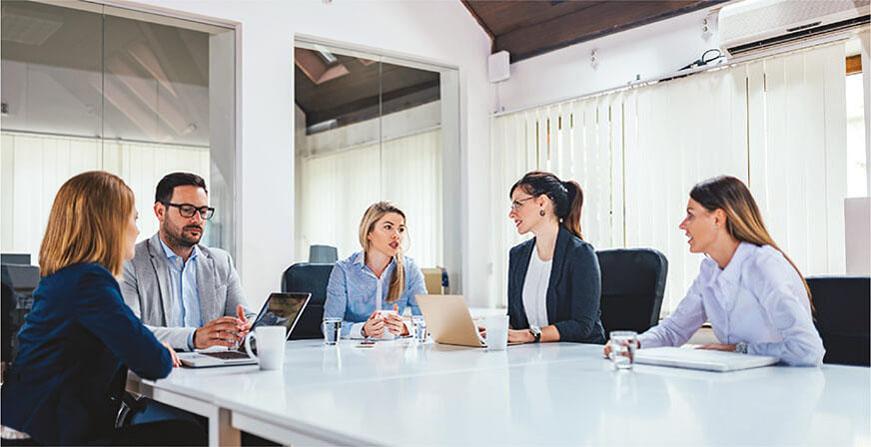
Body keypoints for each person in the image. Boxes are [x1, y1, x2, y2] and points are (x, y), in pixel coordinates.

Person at [0, 171, 200, 445]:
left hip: (26, 426)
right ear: (110, 224)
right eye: (134, 218)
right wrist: (157, 349)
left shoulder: (63, 277)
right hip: (47, 437)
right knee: (188, 433)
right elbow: (154, 363)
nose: (137, 230)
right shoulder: (91, 282)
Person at [604, 176, 825, 366]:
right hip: (737, 388)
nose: (683, 225)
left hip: (783, 390)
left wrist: (738, 350)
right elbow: (673, 331)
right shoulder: (710, 271)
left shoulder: (762, 266)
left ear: (718, 218)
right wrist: (634, 344)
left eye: (691, 214)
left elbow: (808, 350)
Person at [121, 172, 255, 352]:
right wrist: (194, 337)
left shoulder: (221, 261)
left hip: (215, 368)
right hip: (162, 368)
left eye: (203, 211)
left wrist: (247, 327)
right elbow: (130, 331)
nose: (197, 219)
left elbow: (247, 317)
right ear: (160, 211)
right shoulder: (130, 261)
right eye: (187, 210)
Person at [506, 171, 606, 344]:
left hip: (579, 358)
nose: (511, 213)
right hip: (535, 357)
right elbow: (516, 318)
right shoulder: (518, 255)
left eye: (517, 204)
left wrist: (531, 335)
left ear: (542, 203)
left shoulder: (580, 254)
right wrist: (494, 330)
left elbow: (582, 325)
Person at [324, 202, 427, 339]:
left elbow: (426, 321)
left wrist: (404, 328)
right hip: (353, 353)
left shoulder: (410, 269)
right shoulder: (343, 270)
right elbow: (329, 326)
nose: (396, 235)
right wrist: (363, 329)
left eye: (401, 229)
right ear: (369, 233)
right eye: (388, 227)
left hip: (394, 353)